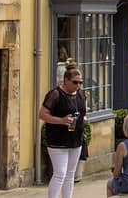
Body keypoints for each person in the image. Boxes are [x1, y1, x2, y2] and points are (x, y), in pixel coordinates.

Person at [39, 67, 86, 198]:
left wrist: (83, 118)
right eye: (75, 82)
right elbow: (42, 114)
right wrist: (61, 120)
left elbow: (83, 111)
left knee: (70, 174)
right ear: (66, 80)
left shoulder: (81, 94)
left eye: (80, 82)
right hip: (58, 140)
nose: (78, 85)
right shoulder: (55, 94)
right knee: (60, 173)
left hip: (76, 139)